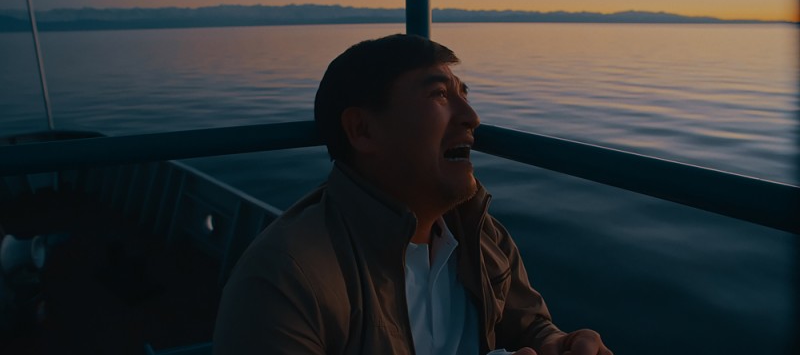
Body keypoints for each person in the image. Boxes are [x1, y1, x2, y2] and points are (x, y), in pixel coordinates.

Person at [213, 34, 612, 355]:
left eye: (464, 94)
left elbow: (527, 326)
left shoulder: (482, 234)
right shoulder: (285, 280)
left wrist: (555, 343)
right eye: (439, 94)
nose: (472, 118)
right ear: (363, 131)